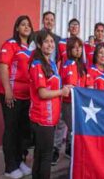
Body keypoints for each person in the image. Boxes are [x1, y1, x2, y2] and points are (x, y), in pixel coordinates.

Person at [29, 30, 72, 179]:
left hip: (51, 116)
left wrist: (67, 88)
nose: (50, 44)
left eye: (52, 41)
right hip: (42, 117)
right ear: (39, 45)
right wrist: (62, 91)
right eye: (46, 42)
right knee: (45, 155)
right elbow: (42, 93)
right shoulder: (37, 65)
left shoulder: (51, 63)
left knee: (40, 154)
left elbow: (54, 86)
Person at [0, 15, 34, 179]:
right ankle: (10, 167)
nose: (26, 27)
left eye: (28, 25)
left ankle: (20, 161)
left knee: (24, 131)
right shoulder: (10, 44)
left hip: (28, 97)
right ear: (17, 28)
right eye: (23, 24)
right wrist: (8, 91)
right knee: (11, 130)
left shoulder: (32, 49)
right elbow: (4, 67)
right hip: (12, 95)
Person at [52, 36, 87, 165]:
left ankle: (66, 149)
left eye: (80, 47)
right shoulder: (70, 63)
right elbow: (72, 85)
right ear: (69, 50)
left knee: (64, 126)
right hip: (69, 102)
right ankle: (56, 151)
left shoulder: (81, 65)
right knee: (69, 127)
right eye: (75, 48)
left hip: (76, 102)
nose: (78, 50)